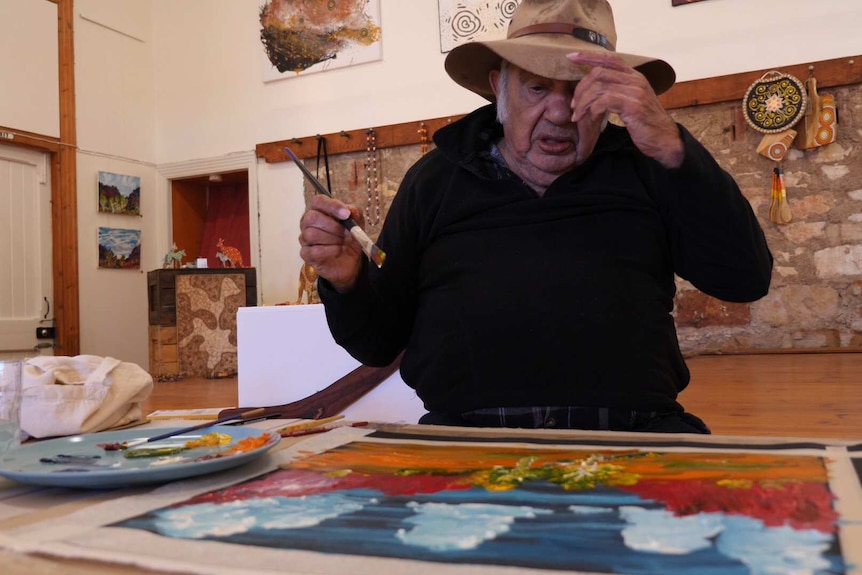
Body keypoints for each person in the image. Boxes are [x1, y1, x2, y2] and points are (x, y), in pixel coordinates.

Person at [298, 0, 773, 433]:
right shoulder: (436, 180)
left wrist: (675, 149)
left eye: (585, 89)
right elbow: (378, 343)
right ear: (497, 85)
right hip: (466, 437)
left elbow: (744, 279)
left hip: (635, 431)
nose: (562, 112)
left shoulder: (648, 167)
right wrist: (347, 283)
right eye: (537, 87)